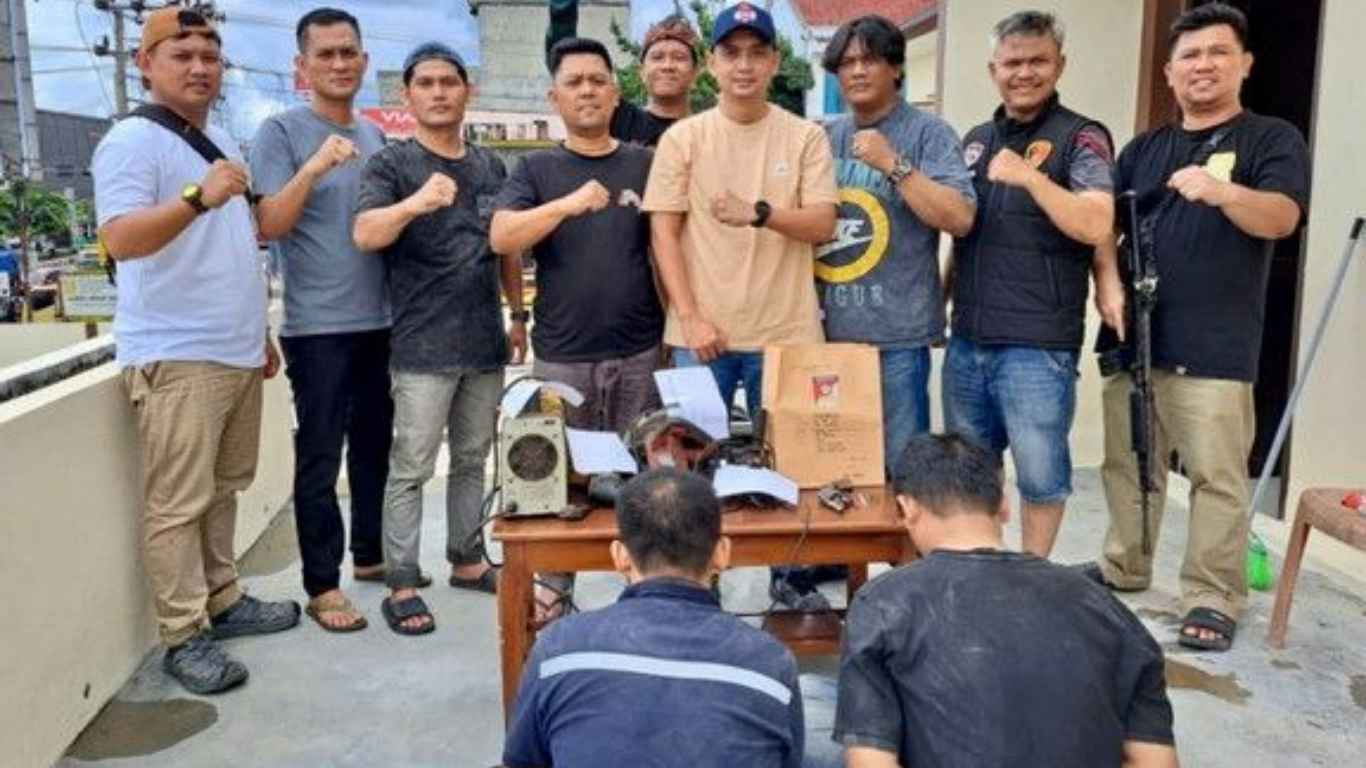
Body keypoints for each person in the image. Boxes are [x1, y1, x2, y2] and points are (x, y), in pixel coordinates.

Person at [93, 7, 299, 694]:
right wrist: (195, 197)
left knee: (223, 488)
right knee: (177, 504)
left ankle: (224, 597)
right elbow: (121, 239)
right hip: (177, 353)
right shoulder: (131, 142)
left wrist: (256, 333)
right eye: (181, 55)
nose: (200, 67)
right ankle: (183, 635)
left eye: (210, 55)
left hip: (233, 350)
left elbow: (234, 246)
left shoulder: (220, 138)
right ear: (144, 64)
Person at [1092, 3, 1309, 652]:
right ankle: (1125, 565)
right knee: (1129, 462)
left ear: (1245, 64)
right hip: (1134, 339)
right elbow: (1104, 225)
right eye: (1190, 55)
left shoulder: (1270, 139)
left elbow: (1282, 218)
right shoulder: (1144, 149)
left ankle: (1212, 595)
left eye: (1218, 52)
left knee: (1216, 477)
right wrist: (1107, 284)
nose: (1203, 65)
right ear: (1169, 72)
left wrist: (1225, 193)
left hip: (1215, 345)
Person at [642, 1, 837, 611]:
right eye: (732, 53)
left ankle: (791, 579)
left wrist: (760, 212)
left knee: (793, 468)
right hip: (702, 337)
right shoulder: (684, 138)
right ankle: (696, 586)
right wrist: (691, 315)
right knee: (689, 472)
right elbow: (663, 233)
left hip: (786, 335)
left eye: (757, 53)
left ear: (776, 61)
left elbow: (823, 224)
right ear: (712, 64)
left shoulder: (804, 136)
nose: (744, 65)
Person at [833, 434, 1179, 768]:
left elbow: (869, 762)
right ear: (1004, 505)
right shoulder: (1106, 609)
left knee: (818, 700)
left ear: (906, 508)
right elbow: (1156, 760)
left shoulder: (882, 604)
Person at [491, 37, 665, 622]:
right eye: (574, 82)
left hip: (640, 349)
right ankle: (555, 591)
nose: (587, 90)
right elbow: (503, 236)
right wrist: (566, 205)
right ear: (554, 97)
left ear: (616, 92)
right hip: (563, 355)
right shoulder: (536, 169)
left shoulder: (644, 163)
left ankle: (643, 594)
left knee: (639, 477)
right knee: (559, 480)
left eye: (597, 80)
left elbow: (667, 249)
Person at [353, 42, 524, 635]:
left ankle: (467, 559)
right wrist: (416, 203)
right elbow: (366, 233)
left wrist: (518, 316)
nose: (438, 92)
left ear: (466, 91)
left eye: (448, 82)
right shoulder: (391, 164)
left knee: (473, 460)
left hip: (484, 341)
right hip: (422, 347)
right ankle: (402, 580)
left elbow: (506, 246)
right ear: (408, 96)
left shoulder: (491, 166)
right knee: (412, 467)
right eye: (425, 83)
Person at [943, 10, 1119, 559]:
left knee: (1041, 476)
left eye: (1038, 61)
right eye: (1012, 62)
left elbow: (1096, 223)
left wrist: (1030, 178)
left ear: (1059, 65)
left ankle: (1031, 576)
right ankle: (984, 569)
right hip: (968, 338)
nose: (1024, 73)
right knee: (972, 474)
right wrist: (940, 302)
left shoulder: (1082, 137)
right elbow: (963, 233)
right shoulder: (976, 140)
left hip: (1037, 346)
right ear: (993, 69)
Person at [250, 7, 397, 633]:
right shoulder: (280, 132)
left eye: (348, 52)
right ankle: (322, 584)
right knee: (319, 455)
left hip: (380, 320)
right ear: (301, 67)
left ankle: (369, 553)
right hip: (317, 328)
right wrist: (313, 167)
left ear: (364, 60)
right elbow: (268, 224)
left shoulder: (376, 136)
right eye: (325, 54)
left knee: (374, 447)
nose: (339, 63)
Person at [503, 468, 804, 768]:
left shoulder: (557, 650)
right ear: (722, 553)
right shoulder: (772, 664)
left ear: (620, 556)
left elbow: (521, 761)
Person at [818, 14, 976, 474]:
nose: (857, 71)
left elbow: (960, 218)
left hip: (898, 338)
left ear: (896, 67)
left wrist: (894, 164)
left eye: (869, 60)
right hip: (825, 335)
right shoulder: (823, 136)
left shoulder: (929, 133)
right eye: (846, 63)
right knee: (831, 471)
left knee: (901, 472)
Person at [546, 1, 700, 146]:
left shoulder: (707, 131)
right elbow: (565, 57)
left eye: (679, 57)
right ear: (641, 71)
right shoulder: (618, 117)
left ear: (696, 72)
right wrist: (563, 10)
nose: (667, 66)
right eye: (657, 57)